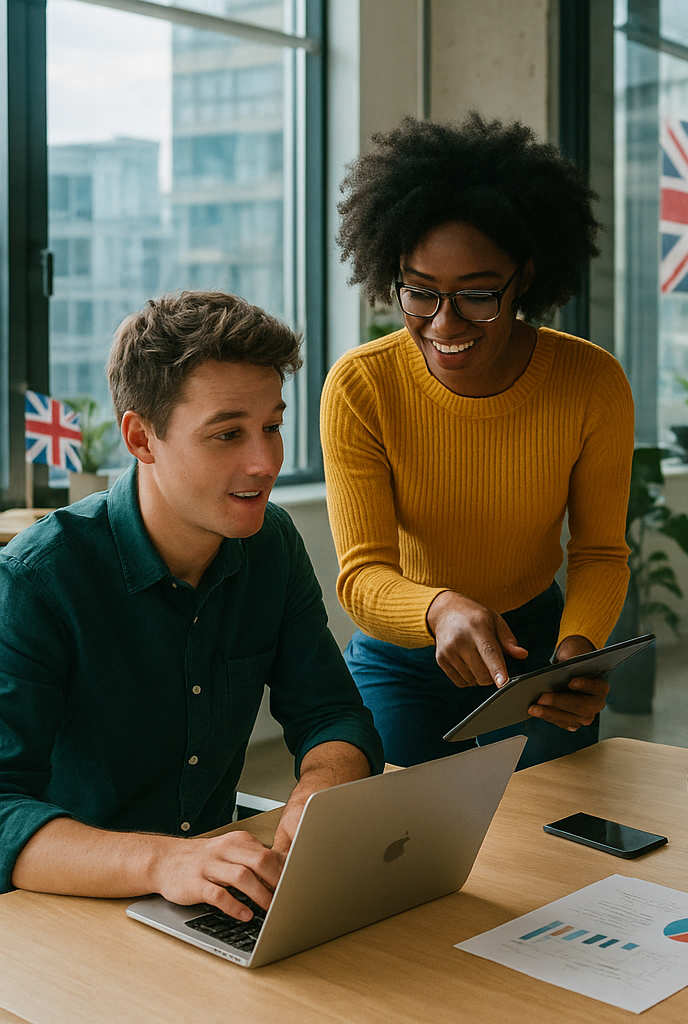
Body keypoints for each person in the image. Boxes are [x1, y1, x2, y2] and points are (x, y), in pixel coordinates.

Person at [0, 291, 383, 923]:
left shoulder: (273, 544)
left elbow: (332, 713)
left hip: (211, 900)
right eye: (227, 434)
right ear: (140, 437)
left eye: (272, 426)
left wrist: (320, 789)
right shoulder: (38, 579)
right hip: (64, 916)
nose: (265, 463)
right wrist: (162, 861)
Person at [324, 113, 633, 768]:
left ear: (526, 275)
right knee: (395, 845)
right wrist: (439, 610)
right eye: (420, 292)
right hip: (400, 655)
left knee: (547, 840)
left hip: (536, 651)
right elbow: (362, 575)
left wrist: (576, 654)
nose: (444, 324)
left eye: (477, 295)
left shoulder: (590, 382)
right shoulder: (361, 387)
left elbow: (600, 550)